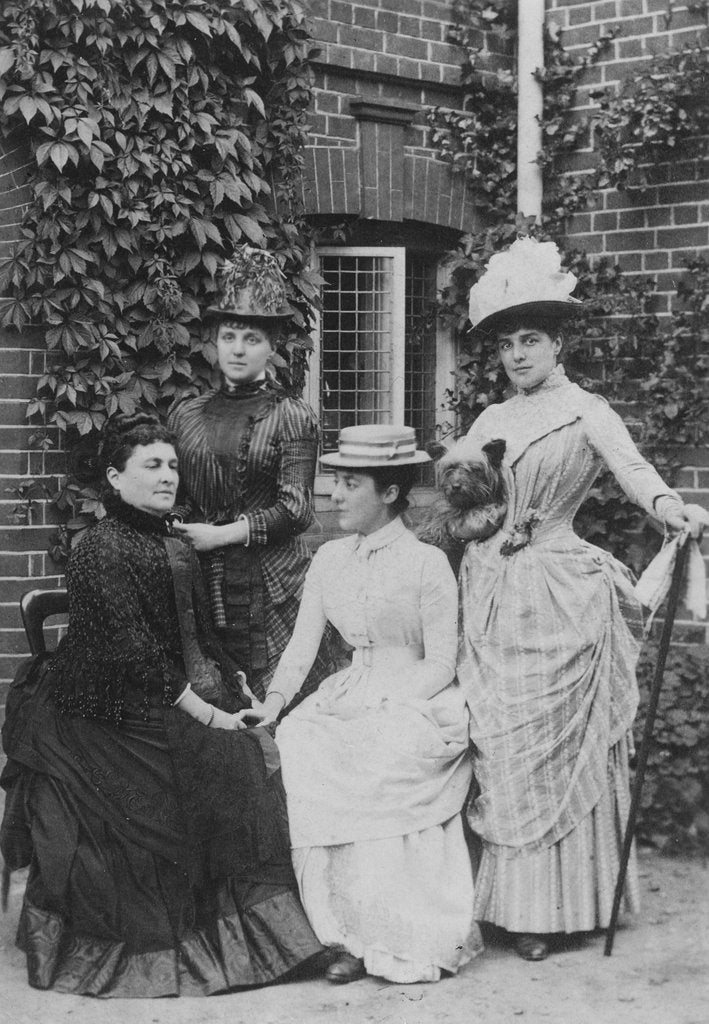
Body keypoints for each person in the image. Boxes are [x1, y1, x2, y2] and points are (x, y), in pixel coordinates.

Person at [443, 236, 709, 961]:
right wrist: (471, 527)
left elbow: (633, 470)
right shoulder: (488, 422)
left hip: (561, 588)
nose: (518, 355)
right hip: (494, 590)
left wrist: (669, 507)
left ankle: (561, 910)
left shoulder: (587, 410)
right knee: (498, 741)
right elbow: (460, 504)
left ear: (557, 343)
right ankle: (505, 903)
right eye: (507, 343)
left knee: (557, 749)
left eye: (531, 340)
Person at [0, 413, 325, 997]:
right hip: (98, 711)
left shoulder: (175, 538)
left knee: (249, 759)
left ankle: (274, 937)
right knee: (209, 768)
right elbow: (130, 649)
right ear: (114, 478)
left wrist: (236, 685)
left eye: (173, 465)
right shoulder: (98, 545)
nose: (168, 476)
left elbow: (197, 631)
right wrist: (205, 711)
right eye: (152, 465)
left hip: (164, 691)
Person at [238, 425, 481, 985]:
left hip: (417, 695)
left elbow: (442, 661)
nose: (334, 496)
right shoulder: (329, 559)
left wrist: (391, 704)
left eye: (350, 484)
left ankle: (394, 934)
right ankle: (338, 935)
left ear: (390, 493)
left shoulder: (427, 563)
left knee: (381, 746)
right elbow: (302, 645)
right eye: (334, 482)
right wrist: (273, 705)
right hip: (352, 688)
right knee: (301, 740)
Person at [168, 246, 333, 703]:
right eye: (229, 336)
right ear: (215, 341)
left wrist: (220, 536)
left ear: (273, 345)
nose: (238, 349)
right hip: (200, 580)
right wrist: (178, 524)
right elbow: (178, 495)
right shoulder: (187, 413)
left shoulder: (292, 415)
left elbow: (297, 510)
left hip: (272, 583)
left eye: (252, 339)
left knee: (271, 705)